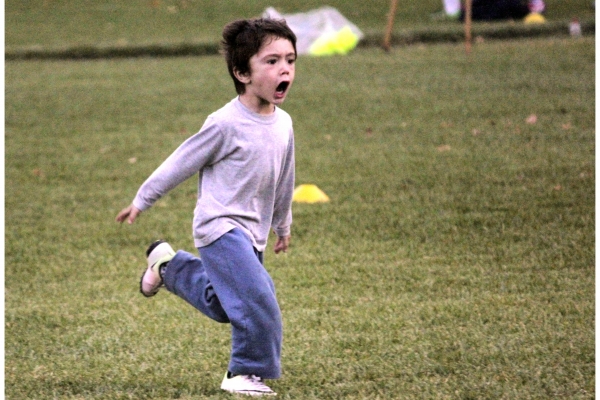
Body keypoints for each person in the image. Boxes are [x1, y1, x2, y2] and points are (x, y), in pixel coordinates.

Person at [115, 17, 297, 397]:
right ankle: (242, 372)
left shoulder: (284, 125)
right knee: (258, 296)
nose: (285, 69)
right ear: (241, 72)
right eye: (272, 61)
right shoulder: (224, 123)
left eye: (290, 60)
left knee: (225, 306)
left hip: (253, 232)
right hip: (219, 227)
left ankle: (168, 266)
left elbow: (284, 178)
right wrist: (142, 199)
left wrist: (283, 224)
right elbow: (181, 161)